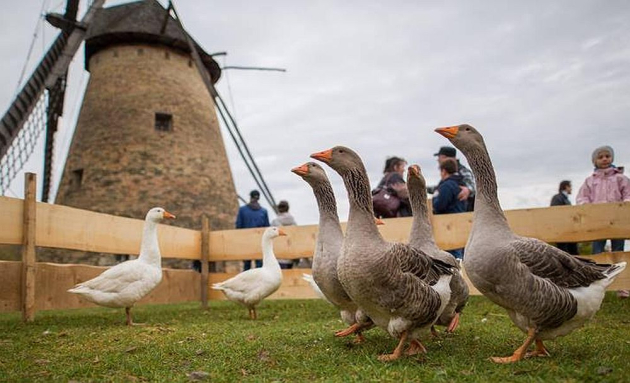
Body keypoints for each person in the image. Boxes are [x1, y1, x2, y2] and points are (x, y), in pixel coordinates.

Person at [576, 145, 630, 298]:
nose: (605, 159)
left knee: (618, 253)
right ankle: (595, 284)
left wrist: (625, 204)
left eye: (607, 156)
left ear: (612, 158)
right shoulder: (590, 181)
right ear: (595, 161)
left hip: (617, 221)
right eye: (600, 157)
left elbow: (628, 193)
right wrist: (587, 207)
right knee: (597, 254)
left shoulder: (620, 178)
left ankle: (623, 286)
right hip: (597, 223)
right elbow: (582, 197)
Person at [432, 158, 466, 259]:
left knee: (452, 255)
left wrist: (434, 204)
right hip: (458, 224)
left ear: (444, 171)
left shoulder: (447, 186)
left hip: (448, 226)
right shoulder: (460, 184)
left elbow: (440, 205)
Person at [430, 146, 476, 211]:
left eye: (440, 157)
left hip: (465, 213)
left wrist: (468, 190)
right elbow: (441, 189)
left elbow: (472, 186)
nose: (438, 160)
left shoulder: (463, 171)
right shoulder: (451, 176)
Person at [236, 190, 270, 270]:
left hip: (246, 241)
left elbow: (238, 226)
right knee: (259, 265)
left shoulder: (242, 210)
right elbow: (267, 227)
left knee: (247, 265)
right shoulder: (264, 211)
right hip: (259, 242)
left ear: (250, 197)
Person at [550, 180, 579, 255]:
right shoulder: (557, 198)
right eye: (570, 187)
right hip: (562, 232)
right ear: (566, 187)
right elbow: (554, 214)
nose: (571, 189)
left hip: (569, 231)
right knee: (565, 253)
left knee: (573, 252)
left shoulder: (566, 199)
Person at [271, 200, 297, 269]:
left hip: (279, 255)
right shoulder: (294, 223)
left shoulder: (274, 222)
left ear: (279, 209)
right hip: (290, 256)